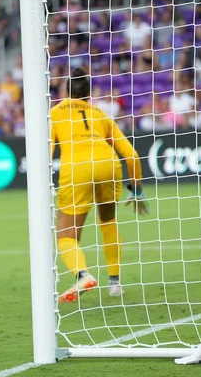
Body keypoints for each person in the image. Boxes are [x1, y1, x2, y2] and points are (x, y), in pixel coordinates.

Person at [50, 68, 149, 303]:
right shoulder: (101, 114)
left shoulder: (54, 113)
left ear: (66, 91)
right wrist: (136, 190)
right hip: (108, 164)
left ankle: (82, 274)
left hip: (77, 168)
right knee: (108, 221)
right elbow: (132, 155)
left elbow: (47, 148)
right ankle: (114, 283)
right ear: (88, 93)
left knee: (66, 235)